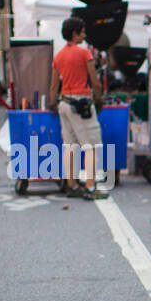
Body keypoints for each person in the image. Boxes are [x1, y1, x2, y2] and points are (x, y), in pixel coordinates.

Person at [48, 16, 107, 200]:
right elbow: (94, 81)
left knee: (70, 146)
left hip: (64, 103)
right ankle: (90, 187)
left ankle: (72, 185)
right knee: (90, 146)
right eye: (82, 31)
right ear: (75, 33)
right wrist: (98, 98)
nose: (84, 34)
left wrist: (52, 103)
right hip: (81, 103)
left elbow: (52, 86)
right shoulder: (84, 54)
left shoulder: (58, 56)